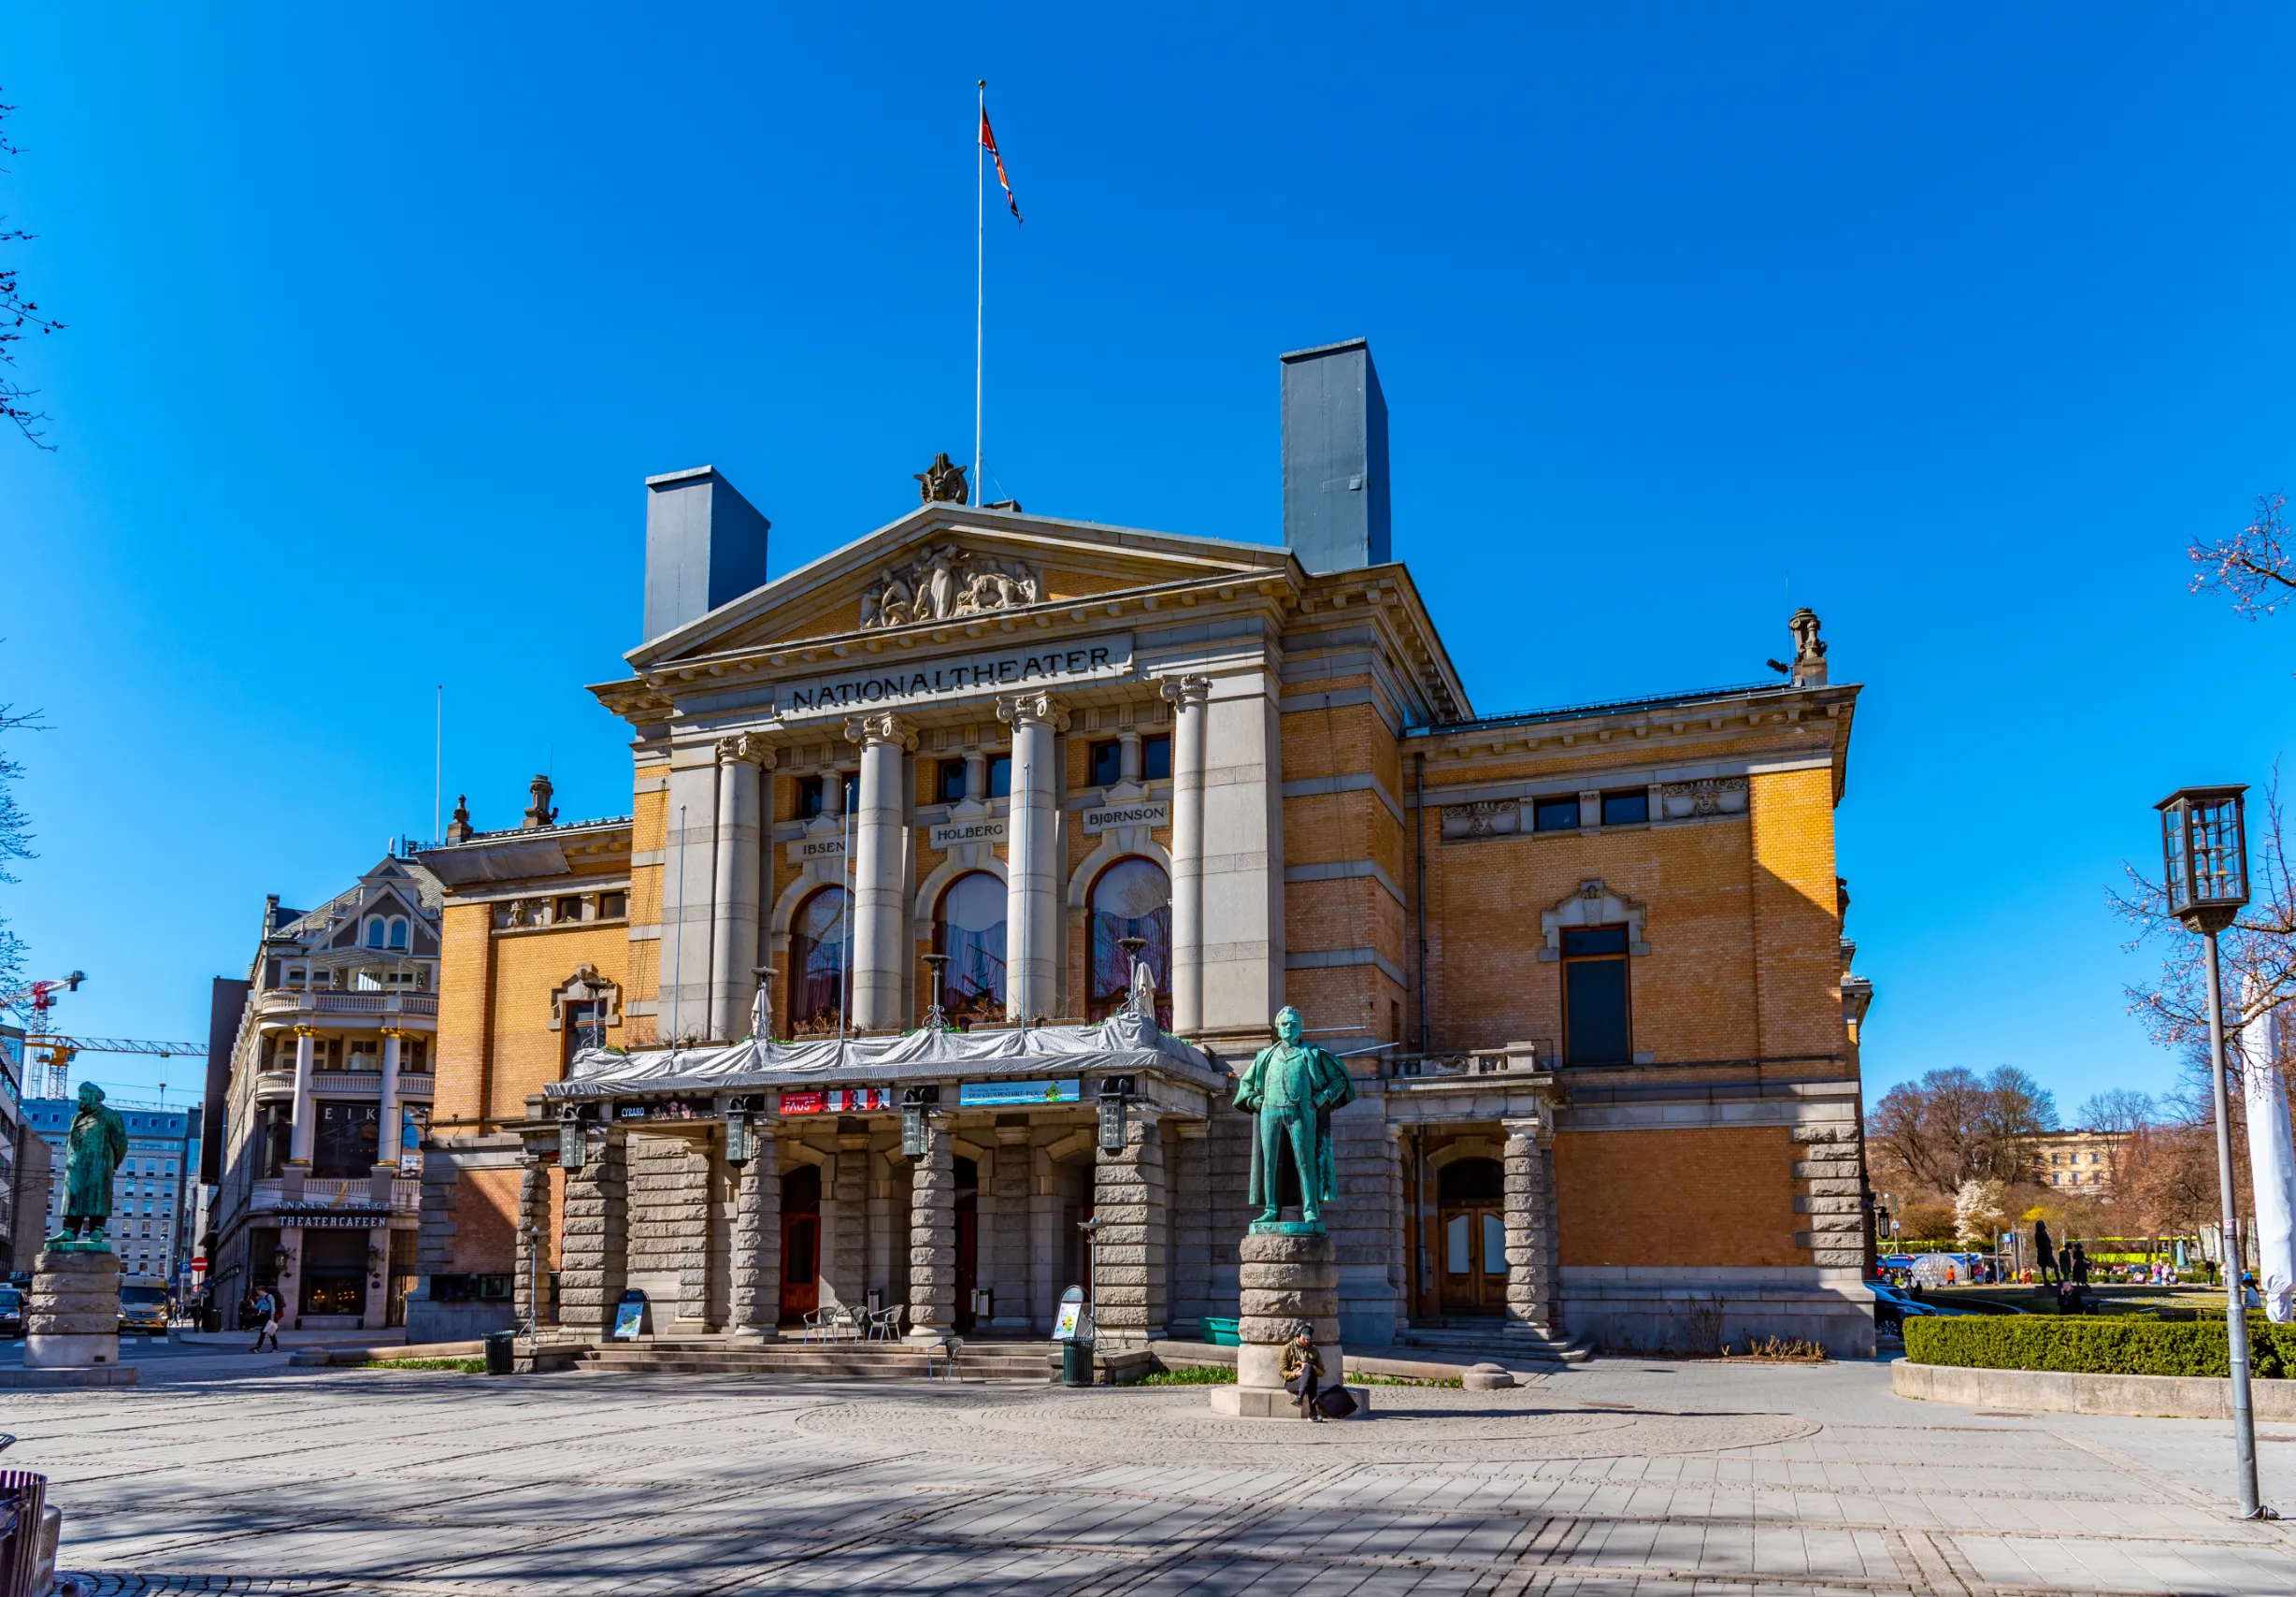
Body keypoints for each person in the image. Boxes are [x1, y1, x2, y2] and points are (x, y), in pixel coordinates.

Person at [1281, 1323, 1326, 1422]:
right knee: (1310, 1377)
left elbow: (1322, 1372)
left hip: (1308, 1382)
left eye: (1308, 1339)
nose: (1306, 1341)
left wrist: (1310, 1368)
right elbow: (1282, 1372)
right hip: (1293, 1382)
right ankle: (1312, 1413)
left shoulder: (1313, 1350)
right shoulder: (1288, 1349)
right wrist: (1296, 1374)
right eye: (1304, 1338)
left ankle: (1299, 1398)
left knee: (1309, 1368)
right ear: (1298, 1335)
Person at [250, 1286, 280, 1353]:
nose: (258, 1293)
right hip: (263, 1315)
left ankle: (257, 1347)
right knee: (270, 1332)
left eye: (259, 1291)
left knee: (263, 1331)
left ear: (263, 1290)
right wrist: (253, 1304)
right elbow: (258, 1306)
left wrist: (272, 1317)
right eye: (257, 1292)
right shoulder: (261, 1298)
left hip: (268, 1315)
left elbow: (272, 1307)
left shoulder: (269, 1296)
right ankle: (275, 1347)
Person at [2033, 1218, 2058, 1286]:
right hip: (2046, 1252)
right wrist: (2048, 1250)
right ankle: (2058, 1279)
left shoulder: (2037, 1234)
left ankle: (2045, 1279)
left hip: (2042, 1252)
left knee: (2043, 1267)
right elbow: (2047, 1242)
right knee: (2055, 1266)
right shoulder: (2043, 1233)